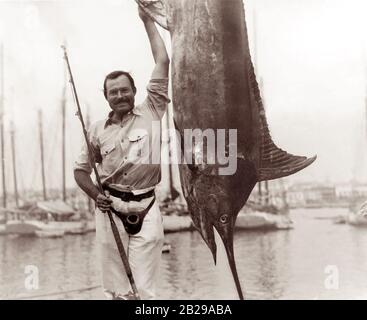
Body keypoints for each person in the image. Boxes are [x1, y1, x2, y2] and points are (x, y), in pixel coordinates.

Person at [74, 6, 170, 300]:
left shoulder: (152, 110)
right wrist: (96, 196)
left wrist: (147, 21)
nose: (120, 96)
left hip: (147, 207)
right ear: (106, 96)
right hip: (109, 211)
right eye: (113, 92)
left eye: (125, 90)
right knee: (116, 291)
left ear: (134, 91)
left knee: (144, 291)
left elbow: (163, 60)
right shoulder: (95, 129)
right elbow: (80, 171)